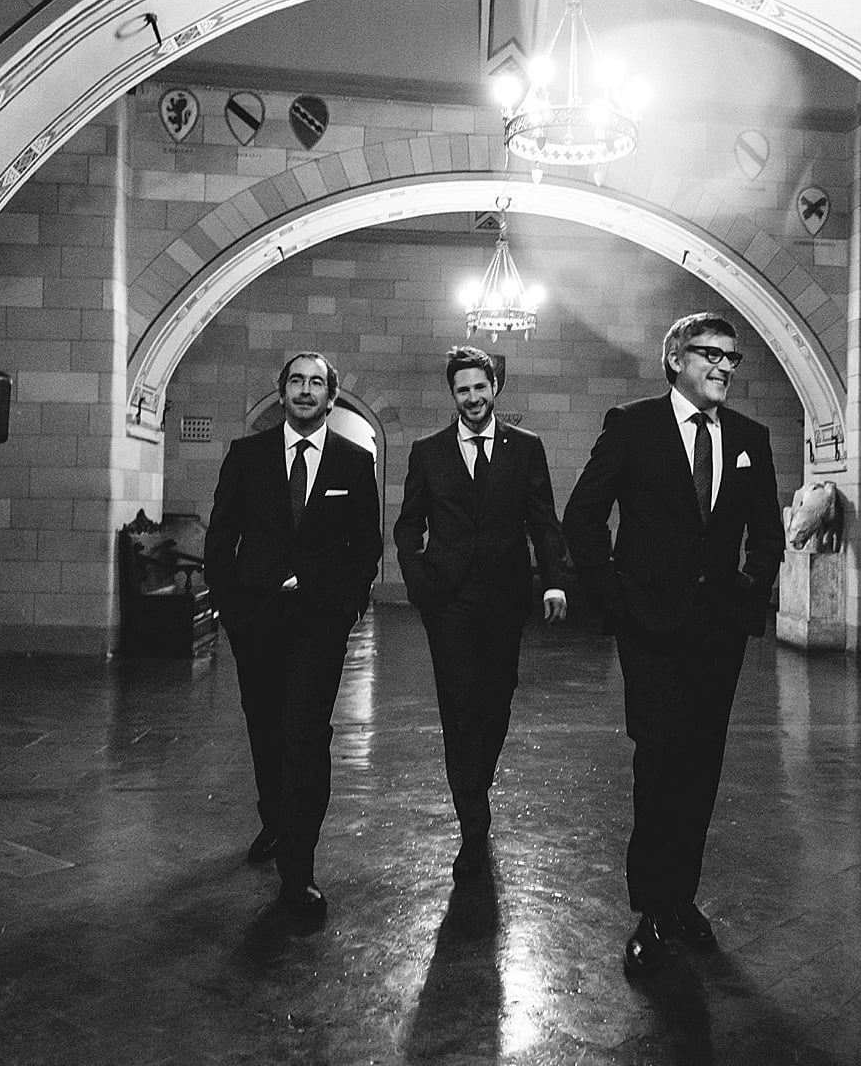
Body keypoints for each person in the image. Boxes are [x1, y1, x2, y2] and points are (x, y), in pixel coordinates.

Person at [562, 312, 784, 975]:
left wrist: (752, 590)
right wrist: (615, 598)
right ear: (675, 359)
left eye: (731, 357)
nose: (724, 366)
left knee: (701, 765)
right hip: (650, 627)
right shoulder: (633, 426)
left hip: (719, 630)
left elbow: (767, 532)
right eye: (710, 353)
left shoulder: (750, 437)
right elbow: (583, 516)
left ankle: (682, 898)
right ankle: (651, 907)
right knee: (658, 760)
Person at [205, 350, 383, 917]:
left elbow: (367, 544)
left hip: (318, 621)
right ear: (282, 392)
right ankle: (274, 820)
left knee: (306, 735)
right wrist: (231, 609)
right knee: (265, 729)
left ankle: (298, 870)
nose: (306, 390)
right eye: (297, 381)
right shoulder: (247, 455)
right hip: (256, 619)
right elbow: (220, 537)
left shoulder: (354, 461)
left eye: (317, 383)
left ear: (331, 396)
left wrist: (347, 605)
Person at [394, 347, 568, 881]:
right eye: (462, 390)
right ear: (453, 395)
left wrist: (554, 580)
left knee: (497, 698)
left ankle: (477, 779)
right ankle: (473, 821)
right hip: (447, 599)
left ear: (495, 388)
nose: (472, 397)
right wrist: (418, 580)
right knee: (460, 702)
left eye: (480, 387)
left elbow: (543, 520)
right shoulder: (428, 451)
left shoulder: (526, 448)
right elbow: (408, 524)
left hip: (504, 596)